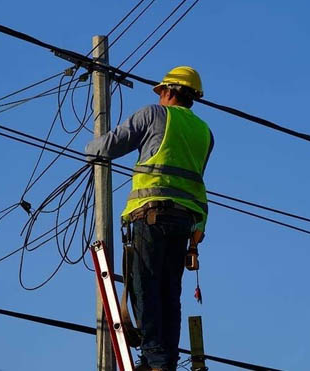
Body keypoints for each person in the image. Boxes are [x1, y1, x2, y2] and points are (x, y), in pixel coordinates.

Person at [85, 66, 214, 371]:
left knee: (146, 288)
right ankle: (164, 361)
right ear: (193, 97)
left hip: (151, 216)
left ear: (168, 91)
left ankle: (155, 360)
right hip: (185, 224)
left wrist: (88, 150)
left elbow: (109, 145)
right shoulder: (204, 132)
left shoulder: (154, 115)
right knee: (170, 294)